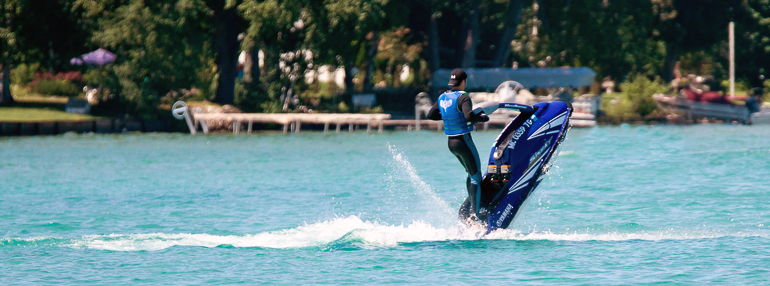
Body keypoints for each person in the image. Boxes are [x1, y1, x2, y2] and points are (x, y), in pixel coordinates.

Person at [426, 68, 490, 220]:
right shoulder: (463, 97)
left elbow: (430, 114)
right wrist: (481, 118)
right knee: (476, 176)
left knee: (470, 173)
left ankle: (470, 208)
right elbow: (469, 116)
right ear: (463, 81)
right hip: (463, 141)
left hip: (451, 143)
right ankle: (476, 214)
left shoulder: (443, 96)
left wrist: (448, 115)